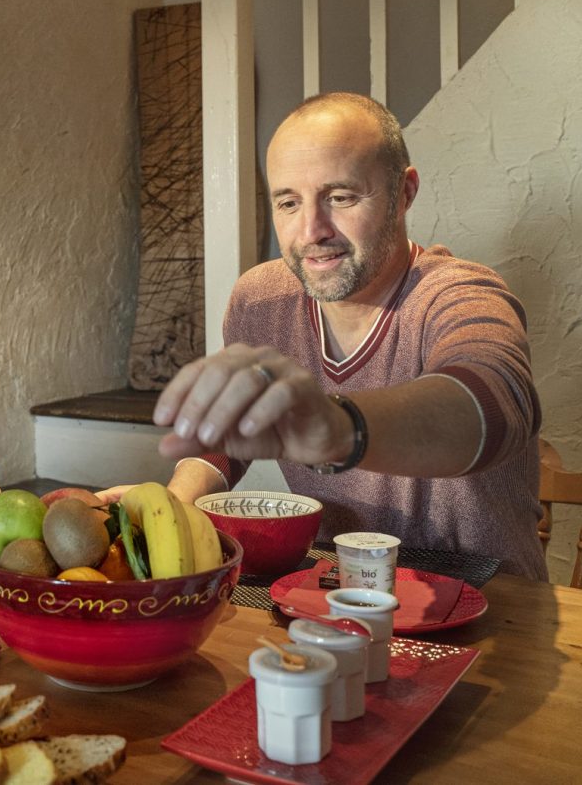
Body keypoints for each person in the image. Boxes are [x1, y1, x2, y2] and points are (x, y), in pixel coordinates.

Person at [128, 92, 547, 579]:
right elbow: (235, 433)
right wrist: (171, 504)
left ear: (404, 192)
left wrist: (336, 427)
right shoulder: (260, 300)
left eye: (341, 197)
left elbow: (495, 404)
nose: (311, 230)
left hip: (489, 605)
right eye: (288, 202)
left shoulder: (459, 294)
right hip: (333, 587)